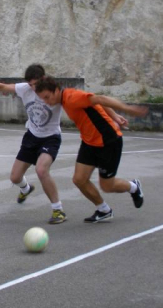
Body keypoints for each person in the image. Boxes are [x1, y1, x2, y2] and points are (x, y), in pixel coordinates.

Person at [35, 76, 148, 223]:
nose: (46, 102)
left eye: (47, 97)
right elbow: (96, 101)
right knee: (79, 179)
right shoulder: (64, 100)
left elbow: (99, 98)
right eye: (43, 99)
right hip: (89, 142)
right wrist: (115, 116)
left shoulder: (72, 97)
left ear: (56, 90)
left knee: (107, 186)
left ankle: (134, 187)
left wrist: (126, 109)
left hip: (108, 141)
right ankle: (104, 210)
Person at [0, 64, 66, 224]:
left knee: (41, 170)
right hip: (31, 137)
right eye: (31, 84)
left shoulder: (55, 92)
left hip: (51, 138)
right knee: (14, 177)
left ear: (44, 79)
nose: (33, 88)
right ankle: (26, 189)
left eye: (36, 84)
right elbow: (2, 86)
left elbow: (82, 101)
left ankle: (58, 210)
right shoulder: (25, 89)